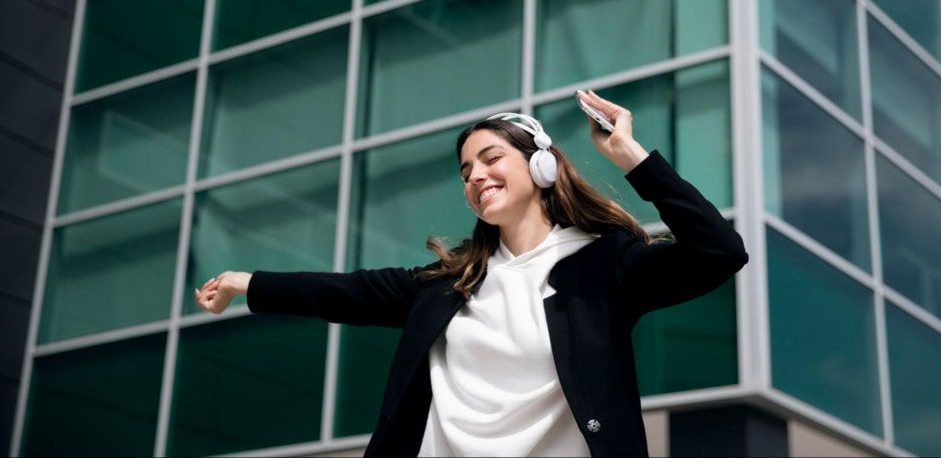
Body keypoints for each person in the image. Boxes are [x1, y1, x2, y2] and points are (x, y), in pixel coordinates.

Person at [194, 89, 748, 457]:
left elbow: (719, 251)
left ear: (541, 164)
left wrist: (630, 155)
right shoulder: (447, 284)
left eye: (490, 159)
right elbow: (345, 293)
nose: (475, 176)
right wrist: (246, 283)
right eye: (465, 171)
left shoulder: (604, 267)